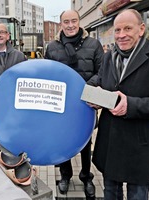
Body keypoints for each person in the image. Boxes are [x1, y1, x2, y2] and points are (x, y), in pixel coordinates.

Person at [91, 9, 149, 200]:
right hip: (110, 143)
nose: (121, 35)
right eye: (117, 30)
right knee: (111, 193)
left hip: (139, 145)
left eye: (127, 28)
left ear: (141, 29)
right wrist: (92, 92)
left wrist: (132, 105)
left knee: (137, 195)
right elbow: (101, 79)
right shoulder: (108, 56)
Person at [45, 10, 104, 198]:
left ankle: (86, 176)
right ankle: (65, 175)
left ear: (79, 22)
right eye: (66, 21)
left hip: (85, 103)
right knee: (63, 141)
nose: (70, 25)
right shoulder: (52, 47)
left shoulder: (93, 44)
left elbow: (102, 71)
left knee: (85, 141)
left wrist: (85, 87)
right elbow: (48, 75)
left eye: (73, 21)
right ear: (60, 24)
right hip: (60, 104)